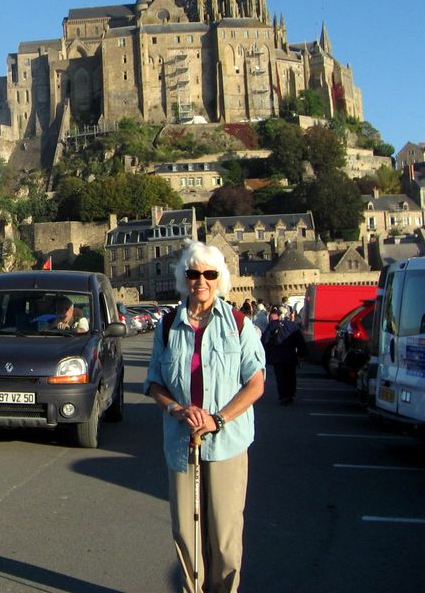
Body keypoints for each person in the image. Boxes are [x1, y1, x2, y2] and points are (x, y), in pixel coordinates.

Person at [145, 241, 265, 593]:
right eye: (194, 273)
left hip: (227, 443)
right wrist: (175, 407)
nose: (201, 280)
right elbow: (154, 381)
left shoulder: (239, 324)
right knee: (186, 532)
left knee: (225, 537)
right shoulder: (168, 325)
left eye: (209, 274)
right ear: (185, 279)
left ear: (220, 279)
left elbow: (256, 383)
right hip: (182, 442)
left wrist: (218, 419)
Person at [262, 306, 307, 405]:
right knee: (291, 375)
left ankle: (283, 396)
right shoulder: (293, 325)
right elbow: (300, 342)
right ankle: (290, 393)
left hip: (277, 355)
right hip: (290, 355)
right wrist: (302, 354)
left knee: (280, 377)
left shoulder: (272, 325)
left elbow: (265, 340)